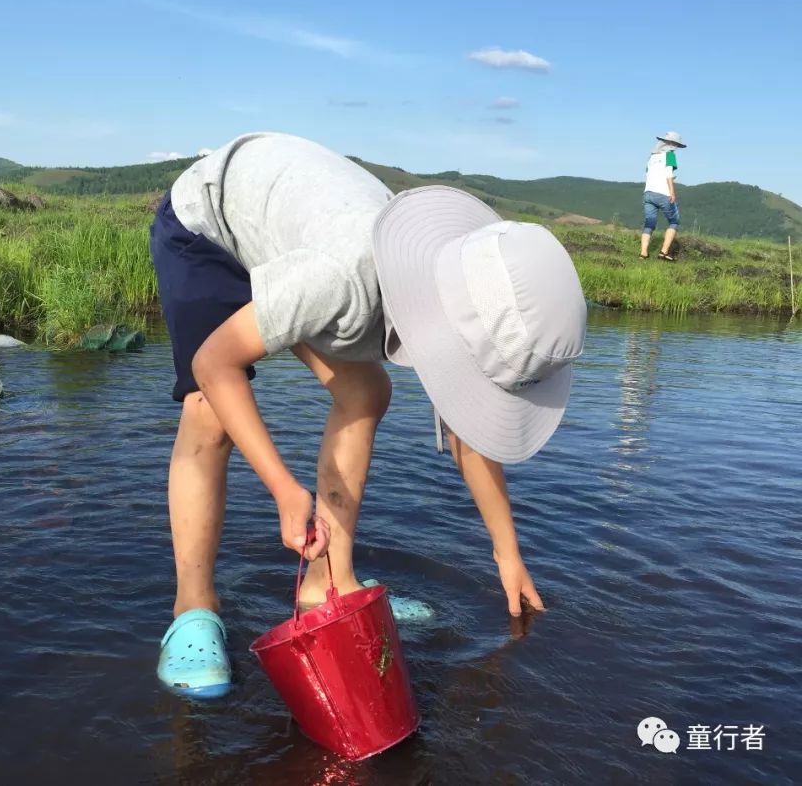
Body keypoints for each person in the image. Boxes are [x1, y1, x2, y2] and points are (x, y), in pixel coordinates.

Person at [150, 133, 587, 698]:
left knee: (366, 391)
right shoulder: (344, 279)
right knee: (210, 414)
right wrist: (284, 489)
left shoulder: (457, 285)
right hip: (206, 227)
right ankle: (192, 609)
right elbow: (215, 364)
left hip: (292, 244)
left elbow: (465, 427)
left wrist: (507, 551)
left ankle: (327, 581)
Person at [640, 131, 687, 261]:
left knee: (649, 223)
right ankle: (664, 252)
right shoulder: (670, 155)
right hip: (663, 193)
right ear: (673, 144)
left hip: (648, 192)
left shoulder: (652, 156)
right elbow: (668, 175)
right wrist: (672, 192)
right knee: (674, 221)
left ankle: (643, 253)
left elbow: (648, 173)